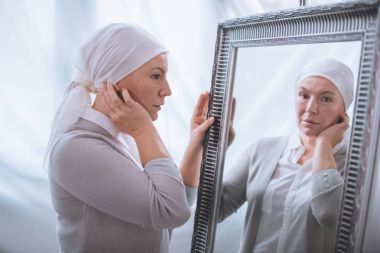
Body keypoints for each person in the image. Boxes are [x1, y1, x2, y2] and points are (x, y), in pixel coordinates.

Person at [45, 23, 214, 253]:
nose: (167, 90)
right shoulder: (76, 148)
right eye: (156, 76)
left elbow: (168, 207)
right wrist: (144, 129)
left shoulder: (123, 136)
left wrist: (196, 145)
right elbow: (171, 211)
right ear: (114, 80)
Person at [181, 58, 354, 253]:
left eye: (326, 99)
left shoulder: (355, 165)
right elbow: (212, 211)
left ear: (344, 108)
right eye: (304, 95)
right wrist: (211, 150)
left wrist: (323, 145)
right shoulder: (262, 150)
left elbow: (328, 215)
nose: (311, 108)